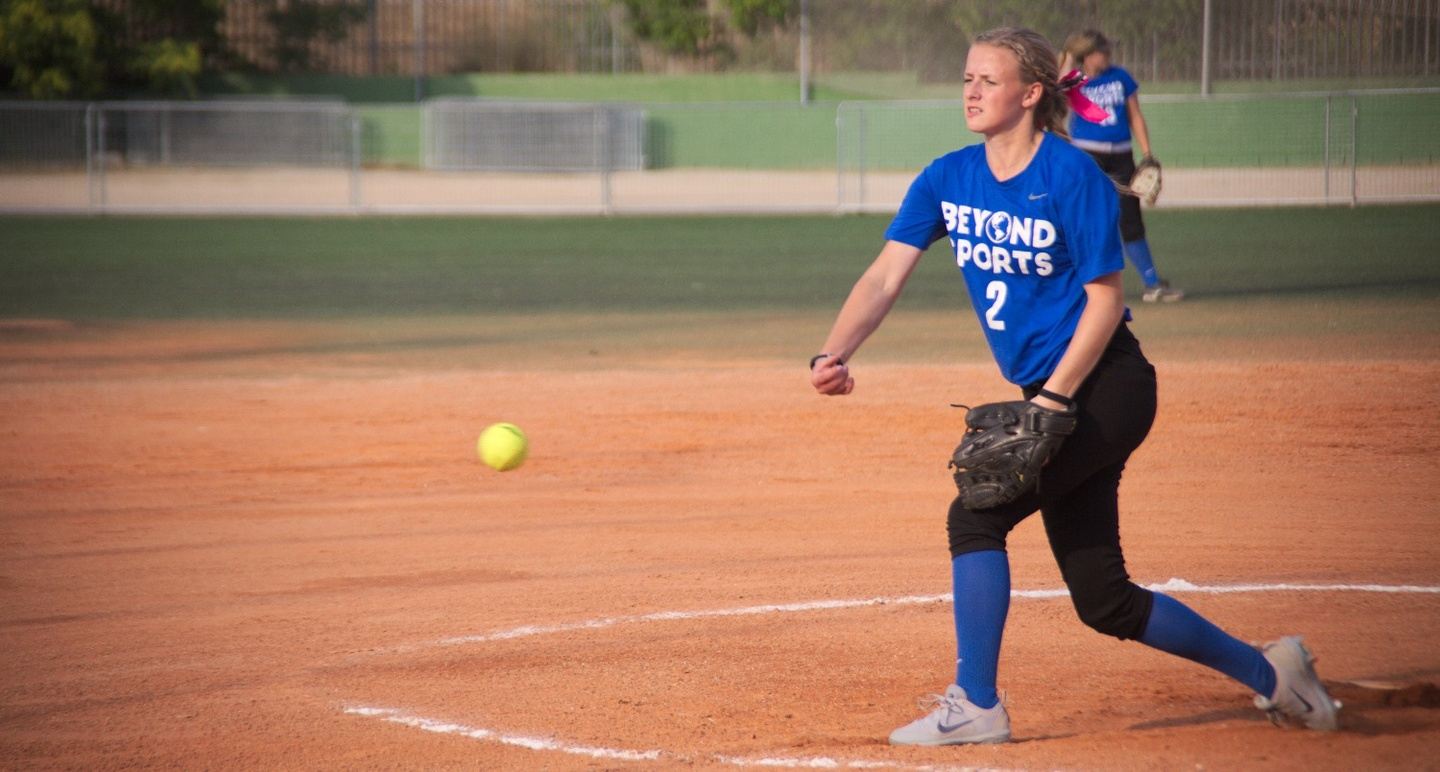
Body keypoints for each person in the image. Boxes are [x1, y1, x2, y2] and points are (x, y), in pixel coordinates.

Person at [808, 26, 1338, 746]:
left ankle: (977, 705)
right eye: (966, 78)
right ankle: (1276, 675)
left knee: (976, 517)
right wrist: (834, 351)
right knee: (1104, 600)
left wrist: (1053, 400)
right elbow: (883, 276)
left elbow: (1105, 302)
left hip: (1107, 387)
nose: (970, 91)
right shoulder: (947, 178)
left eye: (988, 80)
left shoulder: (1070, 176)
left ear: (1031, 94)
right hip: (1052, 394)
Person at [1060, 29, 1183, 303]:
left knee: (1130, 219)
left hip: (1122, 156)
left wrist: (1147, 153)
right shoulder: (1074, 81)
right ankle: (1078, 287)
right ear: (1087, 55)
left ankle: (1152, 284)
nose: (1108, 55)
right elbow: (1056, 95)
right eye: (1102, 51)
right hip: (1088, 156)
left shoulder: (1120, 77)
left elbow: (1135, 116)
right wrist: (1069, 57)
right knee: (1086, 220)